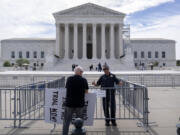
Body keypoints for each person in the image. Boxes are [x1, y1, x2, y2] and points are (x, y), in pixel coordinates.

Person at [63, 66, 89, 135]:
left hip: (69, 103)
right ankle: (79, 133)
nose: (82, 73)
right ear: (79, 72)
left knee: (66, 121)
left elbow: (67, 88)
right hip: (79, 103)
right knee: (79, 121)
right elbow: (86, 92)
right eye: (82, 72)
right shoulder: (84, 80)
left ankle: (64, 133)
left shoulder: (69, 79)